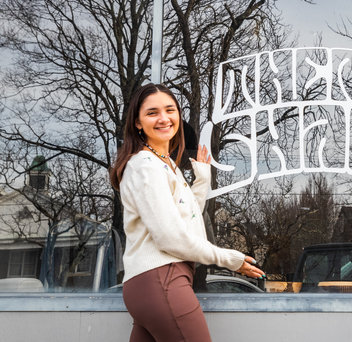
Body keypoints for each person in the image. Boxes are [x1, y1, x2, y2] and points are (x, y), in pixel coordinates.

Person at [109, 83, 265, 342]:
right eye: (152, 112)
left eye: (170, 110)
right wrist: (229, 259)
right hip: (161, 278)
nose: (163, 118)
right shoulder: (145, 166)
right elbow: (171, 237)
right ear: (137, 123)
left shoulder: (164, 164)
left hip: (149, 284)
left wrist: (202, 180)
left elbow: (186, 217)